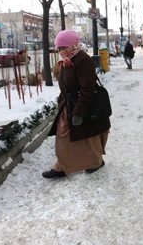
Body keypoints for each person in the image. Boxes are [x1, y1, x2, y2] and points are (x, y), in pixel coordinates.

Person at [43, 30, 109, 179]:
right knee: (65, 136)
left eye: (62, 48)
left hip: (83, 106)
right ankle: (61, 166)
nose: (60, 52)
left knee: (90, 137)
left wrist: (79, 112)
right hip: (70, 105)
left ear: (72, 46)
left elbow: (88, 88)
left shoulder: (82, 60)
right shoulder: (68, 59)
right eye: (58, 49)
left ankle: (95, 162)